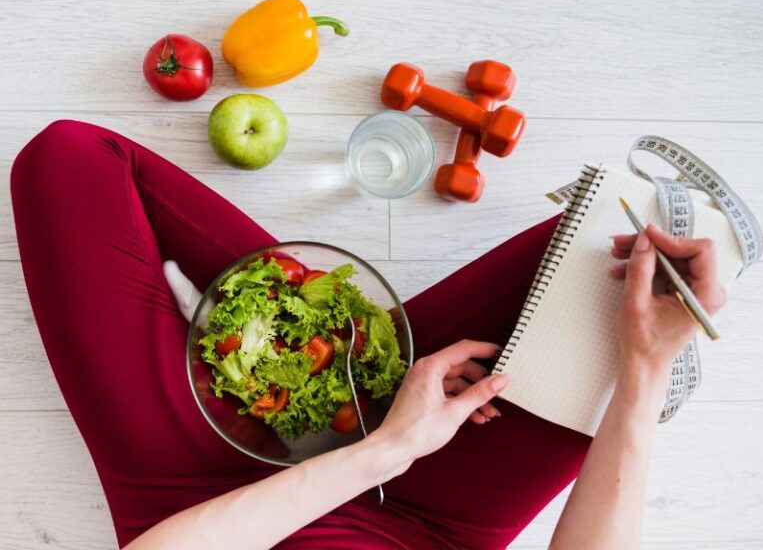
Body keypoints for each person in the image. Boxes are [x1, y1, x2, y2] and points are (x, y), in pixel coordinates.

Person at [11, 120, 726, 550]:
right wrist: (645, 369)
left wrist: (390, 446)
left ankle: (332, 358)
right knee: (636, 258)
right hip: (427, 522)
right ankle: (346, 357)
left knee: (70, 160)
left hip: (196, 500)